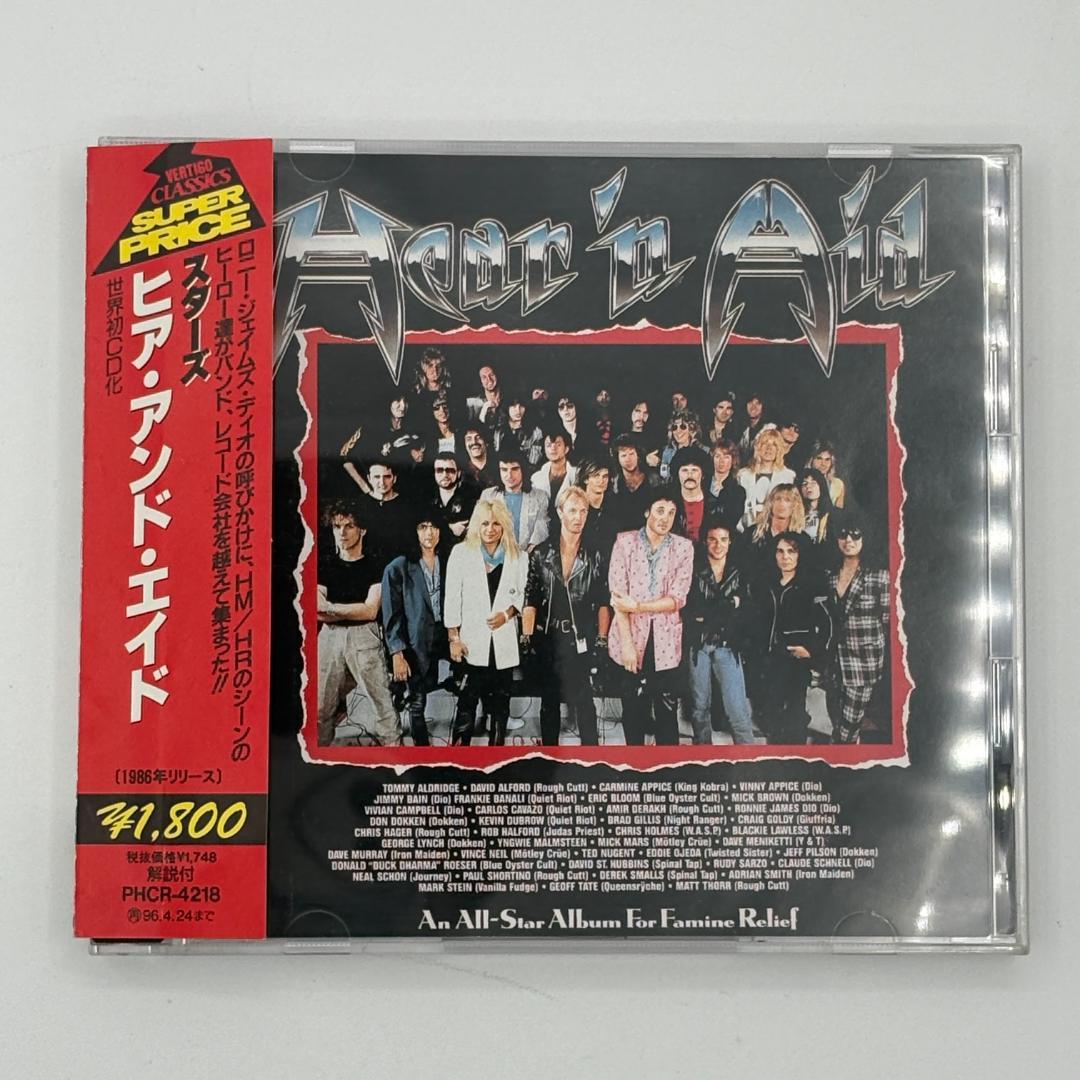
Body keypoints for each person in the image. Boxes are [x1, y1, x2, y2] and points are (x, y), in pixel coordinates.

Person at [522, 486, 611, 745]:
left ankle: (591, 759)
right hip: (549, 639)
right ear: (560, 512)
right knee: (549, 700)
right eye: (572, 510)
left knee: (585, 702)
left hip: (581, 637)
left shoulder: (595, 554)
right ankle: (550, 755)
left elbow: (603, 602)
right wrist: (527, 638)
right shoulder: (540, 553)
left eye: (583, 511)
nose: (578, 517)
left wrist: (601, 640)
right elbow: (531, 599)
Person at [607, 489, 694, 745]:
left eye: (671, 513)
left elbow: (677, 599)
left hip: (665, 639)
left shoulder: (683, 547)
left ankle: (667, 766)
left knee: (667, 712)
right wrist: (627, 646)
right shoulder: (624, 542)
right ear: (647, 512)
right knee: (633, 708)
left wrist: (638, 606)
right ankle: (635, 763)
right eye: (660, 510)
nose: (665, 518)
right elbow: (618, 599)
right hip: (630, 636)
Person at [444, 499, 529, 745]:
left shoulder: (519, 557)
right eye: (484, 524)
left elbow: (522, 596)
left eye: (496, 524)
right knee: (467, 701)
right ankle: (459, 756)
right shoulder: (461, 553)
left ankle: (496, 752)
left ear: (504, 526)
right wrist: (454, 638)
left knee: (500, 703)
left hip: (502, 642)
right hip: (471, 644)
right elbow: (452, 598)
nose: (490, 529)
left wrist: (507, 615)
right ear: (475, 526)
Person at [316, 500, 401, 747]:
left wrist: (332, 608)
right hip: (329, 637)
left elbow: (370, 610)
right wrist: (350, 610)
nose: (342, 533)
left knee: (383, 709)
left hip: (365, 636)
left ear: (362, 529)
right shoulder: (325, 564)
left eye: (349, 526)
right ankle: (319, 760)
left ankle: (396, 760)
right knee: (321, 709)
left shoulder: (376, 565)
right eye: (336, 526)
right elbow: (317, 610)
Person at [750, 532, 833, 745]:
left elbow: (828, 624)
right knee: (770, 711)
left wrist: (812, 651)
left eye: (791, 551)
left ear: (800, 554)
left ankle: (795, 756)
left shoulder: (812, 584)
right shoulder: (766, 583)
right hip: (769, 658)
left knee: (795, 713)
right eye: (780, 551)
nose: (785, 557)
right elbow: (755, 620)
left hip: (796, 659)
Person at [381, 516, 449, 746]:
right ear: (414, 531)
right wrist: (397, 654)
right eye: (423, 527)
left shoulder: (448, 560)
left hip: (444, 636)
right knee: (417, 703)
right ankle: (422, 751)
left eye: (434, 526)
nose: (429, 532)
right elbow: (392, 615)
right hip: (414, 641)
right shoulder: (398, 567)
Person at [686, 521, 755, 745]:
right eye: (713, 539)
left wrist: (711, 612)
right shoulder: (694, 569)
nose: (718, 545)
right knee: (699, 706)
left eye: (723, 539)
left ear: (730, 542)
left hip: (728, 643)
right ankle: (704, 756)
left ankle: (749, 759)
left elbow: (747, 606)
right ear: (705, 541)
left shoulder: (739, 570)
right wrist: (728, 604)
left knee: (737, 708)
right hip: (699, 644)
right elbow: (691, 609)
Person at [826, 521, 889, 744]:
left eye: (855, 535)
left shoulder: (879, 576)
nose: (849, 540)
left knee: (849, 724)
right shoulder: (830, 575)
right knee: (836, 718)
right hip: (835, 661)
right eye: (843, 535)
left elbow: (888, 620)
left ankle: (844, 756)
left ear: (865, 538)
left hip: (863, 661)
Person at [482, 449, 550, 552]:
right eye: (504, 470)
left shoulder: (540, 496)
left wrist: (530, 551)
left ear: (523, 470)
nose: (509, 475)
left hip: (528, 554)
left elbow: (541, 528)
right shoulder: (488, 495)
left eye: (514, 469)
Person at [737, 427, 795, 529]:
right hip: (745, 529)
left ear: (779, 450)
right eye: (765, 444)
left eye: (774, 445)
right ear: (758, 447)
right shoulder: (743, 475)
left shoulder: (788, 476)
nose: (769, 448)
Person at [361, 461, 416, 564]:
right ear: (369, 478)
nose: (382, 482)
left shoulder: (407, 505)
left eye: (387, 477)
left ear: (394, 479)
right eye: (377, 477)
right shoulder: (360, 504)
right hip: (367, 564)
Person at [609, 433, 657, 529]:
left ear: (638, 455)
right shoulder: (613, 484)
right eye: (623, 455)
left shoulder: (653, 480)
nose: (628, 459)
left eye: (631, 454)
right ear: (617, 459)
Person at [427, 452, 477, 542]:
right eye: (439, 470)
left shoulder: (470, 496)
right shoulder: (427, 497)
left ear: (459, 473)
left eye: (450, 470)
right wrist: (449, 527)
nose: (445, 475)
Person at [578, 458, 617, 564]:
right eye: (596, 476)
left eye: (605, 476)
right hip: (581, 562)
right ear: (586, 479)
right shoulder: (577, 505)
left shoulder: (614, 505)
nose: (601, 481)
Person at [671, 445, 712, 542]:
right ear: (677, 474)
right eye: (685, 470)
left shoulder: (713, 504)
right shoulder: (669, 500)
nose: (689, 475)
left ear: (702, 475)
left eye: (694, 470)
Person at [493, 390, 545, 467]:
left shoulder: (536, 432)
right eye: (514, 406)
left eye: (521, 406)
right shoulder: (498, 430)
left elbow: (534, 462)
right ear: (506, 407)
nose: (518, 411)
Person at [707, 438, 745, 530]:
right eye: (717, 456)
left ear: (733, 460)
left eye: (726, 457)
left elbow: (732, 520)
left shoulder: (738, 491)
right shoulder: (703, 484)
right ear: (712, 458)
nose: (721, 461)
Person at [531, 430, 579, 504]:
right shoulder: (536, 478)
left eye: (558, 445)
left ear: (566, 449)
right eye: (548, 445)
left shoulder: (577, 475)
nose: (553, 448)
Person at [658, 407, 705, 481]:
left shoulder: (704, 451)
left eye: (683, 427)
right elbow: (664, 476)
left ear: (692, 430)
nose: (678, 431)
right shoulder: (667, 452)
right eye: (674, 427)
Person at [796, 466, 834, 544]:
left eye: (813, 483)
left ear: (821, 487)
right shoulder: (795, 515)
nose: (808, 486)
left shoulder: (832, 514)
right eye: (804, 483)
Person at [807, 440, 847, 508]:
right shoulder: (803, 482)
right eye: (819, 458)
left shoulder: (838, 484)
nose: (823, 464)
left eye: (827, 459)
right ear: (811, 460)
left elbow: (839, 511)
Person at [466, 363, 506, 430]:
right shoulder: (473, 404)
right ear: (480, 381)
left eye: (491, 375)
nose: (489, 380)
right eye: (484, 377)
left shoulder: (509, 398)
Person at [461, 425, 496, 490]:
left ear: (486, 442)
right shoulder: (461, 473)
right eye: (469, 439)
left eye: (478, 437)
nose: (474, 442)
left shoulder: (499, 467)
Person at [737, 391, 770, 458]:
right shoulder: (743, 429)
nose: (753, 407)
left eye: (758, 403)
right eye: (750, 403)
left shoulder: (769, 429)